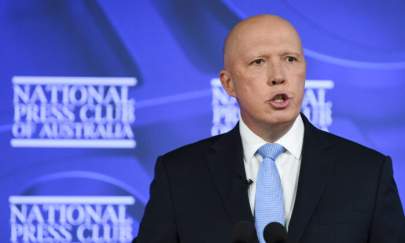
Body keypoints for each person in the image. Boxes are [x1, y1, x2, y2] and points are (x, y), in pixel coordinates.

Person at [134, 15, 404, 243]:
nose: (278, 76)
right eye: (258, 62)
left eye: (290, 59)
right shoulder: (179, 175)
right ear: (228, 84)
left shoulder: (367, 173)